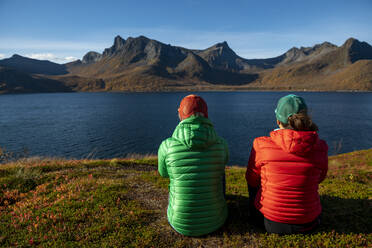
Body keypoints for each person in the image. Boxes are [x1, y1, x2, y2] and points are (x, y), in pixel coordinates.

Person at [246, 94, 328, 234]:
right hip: (310, 223)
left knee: (256, 178)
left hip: (271, 223)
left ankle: (257, 209)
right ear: (306, 119)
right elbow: (320, 177)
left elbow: (251, 179)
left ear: (278, 121)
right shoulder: (320, 147)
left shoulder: (261, 144)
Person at [158, 94, 229, 236]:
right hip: (217, 220)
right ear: (206, 115)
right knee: (220, 172)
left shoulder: (167, 146)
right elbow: (223, 164)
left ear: (180, 114)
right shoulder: (221, 144)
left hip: (179, 222)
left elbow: (163, 173)